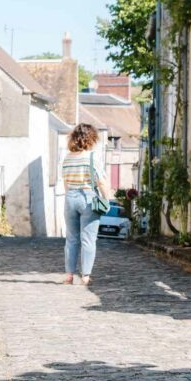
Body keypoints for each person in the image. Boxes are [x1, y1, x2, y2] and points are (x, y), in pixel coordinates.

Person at [60, 122, 113, 285]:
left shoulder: (67, 157)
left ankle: (69, 275)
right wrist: (106, 200)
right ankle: (85, 276)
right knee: (88, 239)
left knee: (71, 239)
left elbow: (65, 182)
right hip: (88, 198)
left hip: (70, 198)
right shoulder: (92, 157)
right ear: (91, 139)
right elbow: (101, 182)